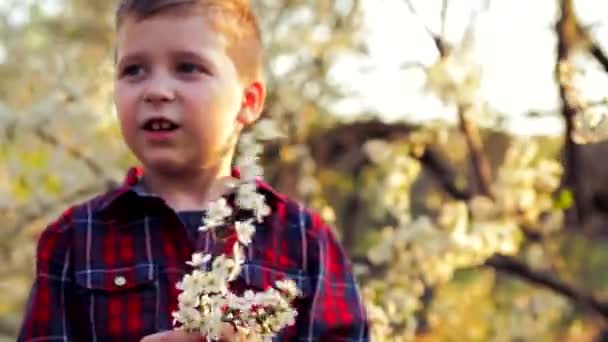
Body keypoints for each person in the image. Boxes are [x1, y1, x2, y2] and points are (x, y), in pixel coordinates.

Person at [17, 0, 369, 341]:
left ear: (247, 102)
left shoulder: (303, 239)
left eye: (188, 67)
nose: (155, 90)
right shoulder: (75, 238)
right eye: (133, 70)